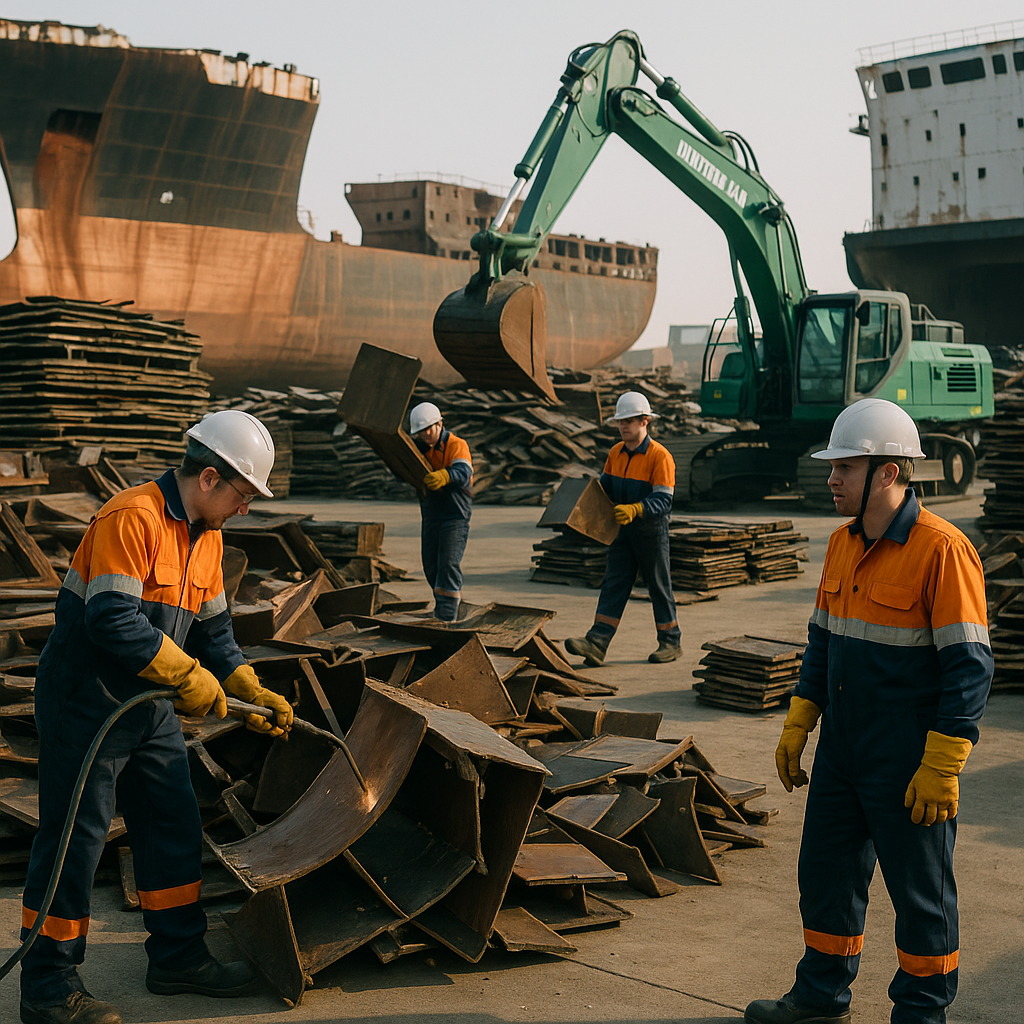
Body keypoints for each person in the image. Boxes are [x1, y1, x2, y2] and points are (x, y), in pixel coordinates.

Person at [19, 410, 295, 1024]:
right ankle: (46, 986)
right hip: (86, 701)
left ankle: (178, 958)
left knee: (172, 821)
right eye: (243, 494)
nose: (245, 509)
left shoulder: (209, 534)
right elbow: (111, 619)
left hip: (147, 706)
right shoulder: (131, 518)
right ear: (207, 477)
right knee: (76, 840)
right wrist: (187, 676)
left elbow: (215, 630)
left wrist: (243, 683)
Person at [745, 399, 993, 1024]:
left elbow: (969, 667)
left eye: (845, 468)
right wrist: (802, 717)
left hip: (909, 756)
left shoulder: (943, 550)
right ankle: (822, 992)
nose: (831, 478)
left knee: (920, 896)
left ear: (888, 473)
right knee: (824, 875)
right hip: (844, 750)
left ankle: (921, 1010)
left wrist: (943, 762)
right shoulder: (840, 544)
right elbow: (824, 639)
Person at [564, 391, 681, 666]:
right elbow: (605, 487)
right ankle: (597, 643)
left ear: (645, 421)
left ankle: (671, 642)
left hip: (651, 532)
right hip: (622, 531)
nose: (623, 426)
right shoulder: (616, 453)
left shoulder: (660, 456)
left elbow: (664, 500)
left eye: (629, 421)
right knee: (614, 584)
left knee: (659, 586)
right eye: (621, 421)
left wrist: (636, 509)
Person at [409, 401, 473, 622]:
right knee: (430, 564)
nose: (426, 434)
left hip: (455, 514)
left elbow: (464, 471)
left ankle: (447, 615)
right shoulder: (419, 449)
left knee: (448, 562)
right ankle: (449, 603)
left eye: (429, 428)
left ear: (440, 424)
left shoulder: (456, 444)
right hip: (431, 513)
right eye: (421, 431)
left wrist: (445, 476)